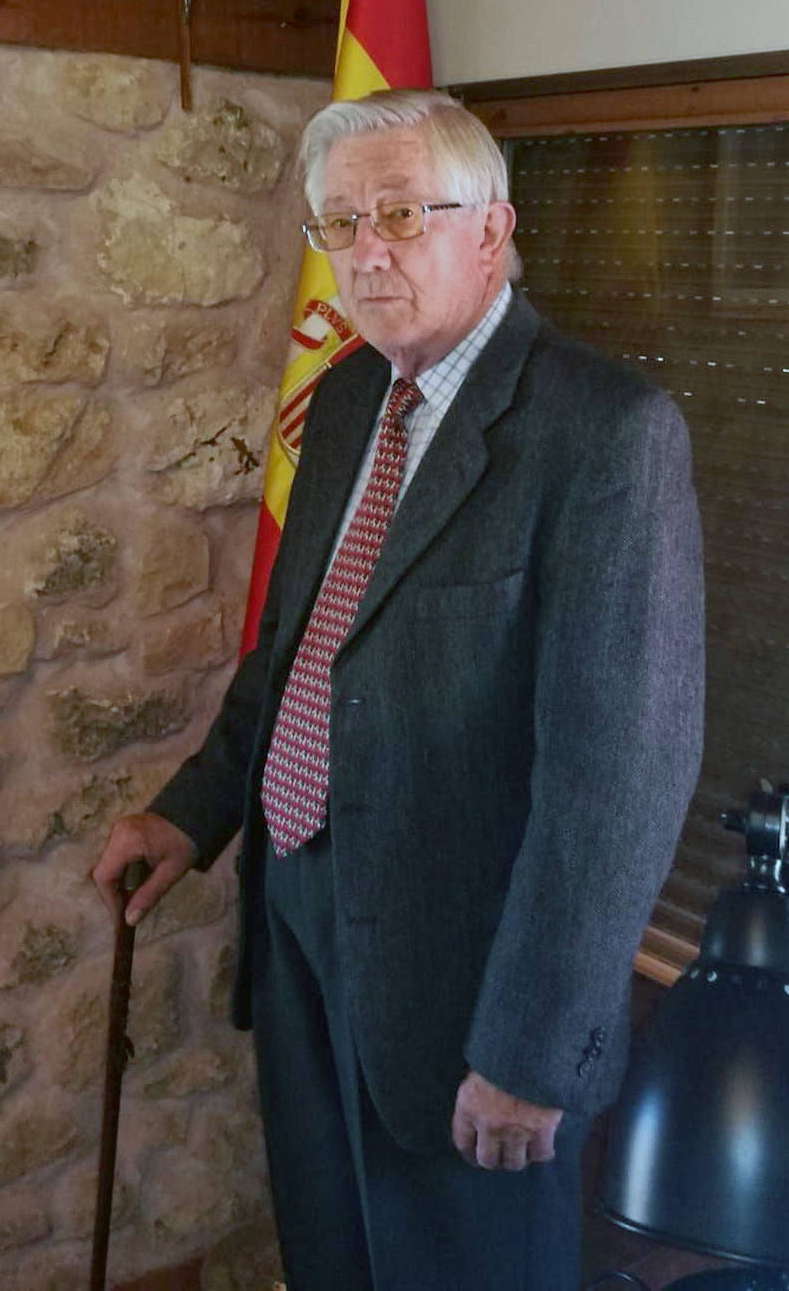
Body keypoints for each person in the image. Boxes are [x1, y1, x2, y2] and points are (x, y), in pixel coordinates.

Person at [93, 89, 705, 1290]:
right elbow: (297, 654)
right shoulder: (351, 401)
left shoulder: (607, 434)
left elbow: (619, 775)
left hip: (469, 974)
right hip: (303, 915)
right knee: (335, 1254)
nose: (366, 251)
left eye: (401, 214)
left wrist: (535, 1047)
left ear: (492, 229)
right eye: (340, 223)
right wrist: (193, 812)